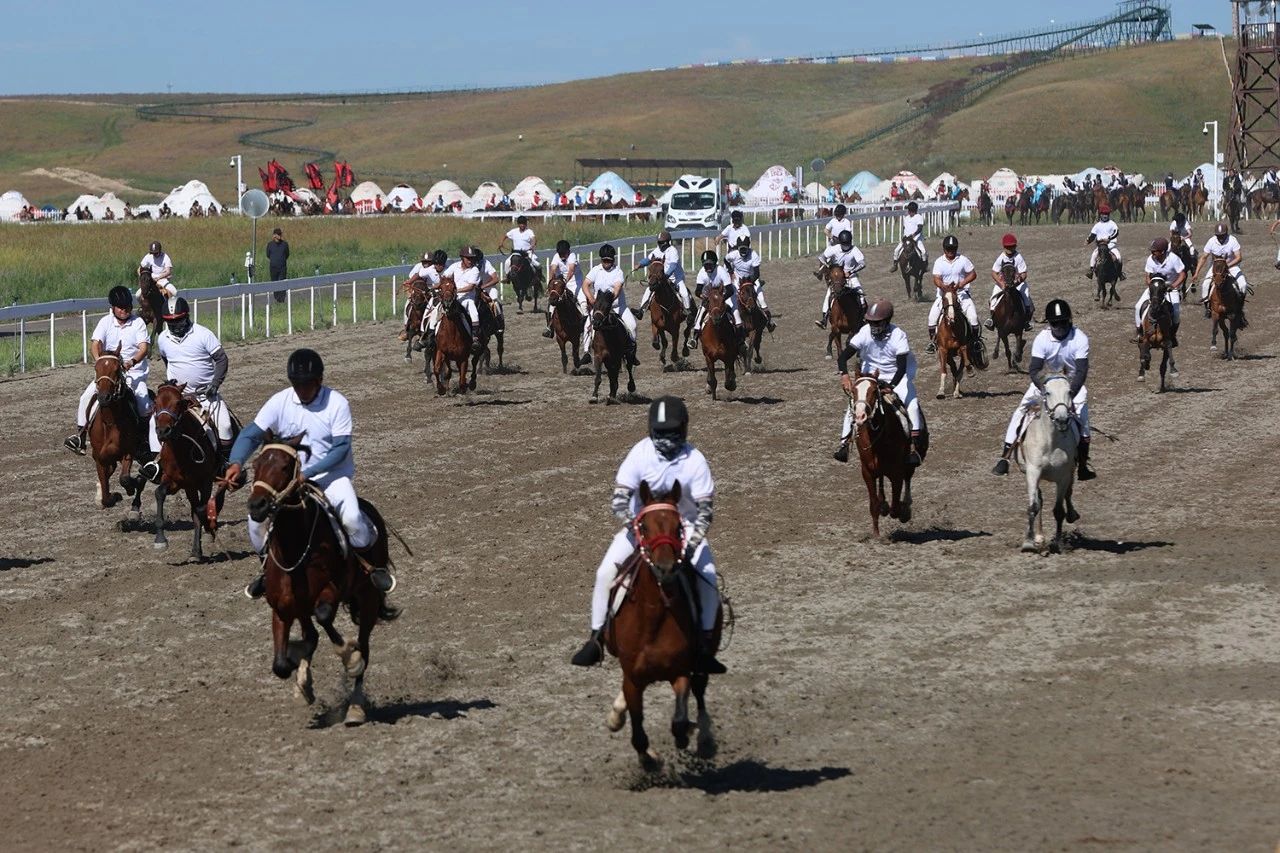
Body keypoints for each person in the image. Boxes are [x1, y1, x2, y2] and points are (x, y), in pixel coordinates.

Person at [568, 396, 726, 674]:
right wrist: (635, 529)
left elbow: (705, 512)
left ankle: (702, 645)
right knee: (604, 573)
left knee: (709, 578)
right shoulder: (640, 453)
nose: (667, 439)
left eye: (673, 433)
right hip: (641, 528)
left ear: (685, 429)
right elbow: (619, 499)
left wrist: (690, 547)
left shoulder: (695, 460)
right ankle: (595, 639)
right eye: (661, 433)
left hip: (684, 529)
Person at [226, 348, 396, 601]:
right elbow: (251, 434)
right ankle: (267, 568)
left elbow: (340, 449)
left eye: (307, 385)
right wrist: (236, 462)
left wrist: (308, 473)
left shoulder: (336, 403)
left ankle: (369, 566)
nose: (302, 390)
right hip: (287, 483)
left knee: (351, 520)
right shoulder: (280, 401)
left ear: (319, 380)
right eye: (297, 385)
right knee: (255, 522)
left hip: (331, 478)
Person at [992, 299, 1095, 481]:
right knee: (1021, 410)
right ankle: (1005, 457)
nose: (1060, 327)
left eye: (1063, 322)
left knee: (1083, 421)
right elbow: (1034, 369)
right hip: (1046, 383)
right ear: (1050, 324)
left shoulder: (1080, 338)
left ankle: (1083, 466)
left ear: (1069, 321)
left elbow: (1081, 371)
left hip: (1071, 386)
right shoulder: (1042, 338)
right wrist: (1044, 390)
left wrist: (1069, 394)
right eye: (1055, 323)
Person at [147, 298, 234, 476]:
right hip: (178, 398)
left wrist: (214, 384)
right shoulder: (162, 338)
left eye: (178, 320)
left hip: (205, 395)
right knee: (152, 422)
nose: (175, 324)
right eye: (170, 321)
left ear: (187, 317)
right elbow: (167, 360)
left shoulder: (203, 334)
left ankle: (224, 463)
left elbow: (221, 359)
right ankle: (157, 464)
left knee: (225, 426)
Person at [64, 286, 155, 456]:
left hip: (133, 373)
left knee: (143, 404)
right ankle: (81, 437)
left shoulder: (138, 323)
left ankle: (143, 442)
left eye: (128, 306)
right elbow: (95, 344)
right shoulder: (105, 322)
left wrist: (131, 362)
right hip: (108, 373)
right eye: (121, 307)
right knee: (85, 397)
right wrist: (99, 360)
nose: (125, 310)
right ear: (113, 307)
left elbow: (143, 348)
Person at [833, 299, 922, 467]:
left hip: (895, 375)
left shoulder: (898, 335)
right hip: (869, 376)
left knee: (912, 404)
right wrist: (844, 375)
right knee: (853, 406)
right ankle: (844, 445)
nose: (873, 326)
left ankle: (913, 447)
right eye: (870, 322)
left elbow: (902, 366)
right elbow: (844, 357)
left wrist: (891, 386)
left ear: (887, 321)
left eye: (877, 322)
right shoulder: (864, 332)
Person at [427, 246, 497, 354]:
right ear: (462, 258)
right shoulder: (454, 266)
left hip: (467, 298)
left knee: (473, 311)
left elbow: (471, 287)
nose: (471, 260)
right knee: (435, 309)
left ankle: (475, 338)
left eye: (472, 258)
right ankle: (430, 336)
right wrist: (436, 288)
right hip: (452, 297)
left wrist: (455, 290)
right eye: (468, 258)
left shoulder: (474, 270)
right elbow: (444, 278)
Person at [582, 244, 639, 366]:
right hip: (600, 308)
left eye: (609, 260)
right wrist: (592, 299)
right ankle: (586, 352)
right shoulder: (596, 270)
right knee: (587, 326)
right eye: (604, 260)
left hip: (618, 307)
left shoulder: (618, 272)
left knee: (633, 326)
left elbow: (617, 289)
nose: (607, 263)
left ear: (613, 260)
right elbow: (585, 284)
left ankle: (631, 352)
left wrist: (609, 301)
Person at [925, 234, 978, 355]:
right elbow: (936, 278)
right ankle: (933, 342)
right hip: (944, 295)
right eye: (948, 249)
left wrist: (961, 283)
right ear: (944, 249)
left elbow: (973, 274)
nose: (950, 252)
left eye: (953, 249)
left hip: (960, 294)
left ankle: (975, 341)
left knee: (973, 317)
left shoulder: (963, 260)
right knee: (932, 318)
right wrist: (943, 286)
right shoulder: (939, 262)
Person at [1134, 238, 1186, 347]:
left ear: (1162, 251)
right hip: (1155, 289)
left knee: (1176, 313)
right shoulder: (1150, 259)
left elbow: (1182, 274)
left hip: (1170, 288)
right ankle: (1139, 332)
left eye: (1154, 251)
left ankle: (1172, 336)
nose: (1152, 253)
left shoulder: (1173, 259)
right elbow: (1148, 276)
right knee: (1138, 306)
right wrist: (1152, 287)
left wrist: (1174, 285)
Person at [1196, 223, 1249, 326]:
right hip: (1216, 267)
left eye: (1222, 236)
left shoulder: (1232, 240)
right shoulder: (1211, 241)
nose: (1220, 238)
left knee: (1243, 285)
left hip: (1231, 265)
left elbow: (1239, 257)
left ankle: (1239, 308)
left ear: (1226, 234)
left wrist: (1227, 266)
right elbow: (1204, 257)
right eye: (1218, 236)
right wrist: (1196, 272)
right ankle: (1207, 308)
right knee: (1205, 285)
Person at [813, 229, 867, 328]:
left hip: (850, 277)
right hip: (837, 278)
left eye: (848, 244)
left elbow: (862, 263)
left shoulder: (854, 250)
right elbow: (821, 257)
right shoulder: (834, 248)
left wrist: (851, 272)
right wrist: (828, 267)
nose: (846, 246)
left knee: (861, 294)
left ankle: (863, 318)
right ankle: (824, 319)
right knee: (829, 294)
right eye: (844, 244)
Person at [633, 231, 691, 318]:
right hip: (661, 277)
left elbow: (673, 266)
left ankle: (687, 311)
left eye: (660, 242)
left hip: (675, 278)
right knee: (649, 289)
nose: (659, 244)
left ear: (666, 242)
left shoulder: (673, 251)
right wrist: (639, 264)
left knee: (684, 293)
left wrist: (666, 276)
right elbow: (648, 260)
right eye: (658, 242)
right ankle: (641, 310)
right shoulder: (657, 251)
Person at [985, 233, 1033, 332]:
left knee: (1026, 298)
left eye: (1012, 246)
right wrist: (1001, 283)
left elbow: (1024, 273)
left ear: (1015, 246)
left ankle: (1026, 321)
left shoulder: (1018, 257)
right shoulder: (1001, 258)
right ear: (1004, 247)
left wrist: (1018, 282)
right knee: (993, 299)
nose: (1010, 249)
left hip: (1017, 283)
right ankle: (992, 320)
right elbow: (994, 272)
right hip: (1003, 283)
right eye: (1008, 246)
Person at [690, 249, 740, 344]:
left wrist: (721, 299)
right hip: (709, 298)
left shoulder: (721, 271)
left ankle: (741, 341)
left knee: (736, 314)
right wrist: (703, 296)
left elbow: (730, 290)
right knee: (699, 315)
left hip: (725, 295)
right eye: (705, 265)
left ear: (715, 263)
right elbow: (697, 291)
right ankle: (694, 338)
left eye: (710, 265)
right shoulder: (701, 273)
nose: (708, 267)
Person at [727, 238, 775, 332]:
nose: (743, 251)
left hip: (752, 279)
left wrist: (748, 283)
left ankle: (769, 322)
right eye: (741, 249)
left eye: (745, 249)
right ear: (738, 248)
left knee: (761, 300)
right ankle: (733, 322)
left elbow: (756, 273)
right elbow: (725, 260)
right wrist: (731, 271)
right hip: (737, 280)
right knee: (731, 301)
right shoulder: (733, 255)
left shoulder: (754, 255)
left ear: (748, 248)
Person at [398, 250, 447, 342]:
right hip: (419, 291)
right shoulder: (419, 267)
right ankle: (406, 329)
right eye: (424, 262)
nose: (426, 264)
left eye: (428, 262)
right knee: (408, 305)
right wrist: (409, 283)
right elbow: (414, 278)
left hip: (433, 292)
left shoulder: (437, 269)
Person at [543, 239, 587, 338]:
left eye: (564, 253)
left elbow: (571, 270)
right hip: (560, 284)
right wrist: (550, 283)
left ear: (568, 251)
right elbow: (553, 269)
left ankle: (585, 326)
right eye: (560, 254)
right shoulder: (556, 256)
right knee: (552, 304)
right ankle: (550, 327)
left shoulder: (572, 256)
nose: (562, 256)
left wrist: (565, 282)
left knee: (583, 303)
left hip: (575, 283)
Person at [1085, 203, 1124, 280]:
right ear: (1100, 214)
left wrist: (1109, 238)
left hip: (1110, 246)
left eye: (1106, 214)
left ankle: (1120, 273)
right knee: (1093, 256)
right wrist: (1088, 240)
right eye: (1103, 214)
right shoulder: (1097, 225)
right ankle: (1091, 271)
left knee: (1119, 258)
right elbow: (1093, 235)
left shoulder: (1112, 224)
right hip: (1101, 246)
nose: (1105, 215)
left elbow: (1116, 232)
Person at [139, 240, 177, 311]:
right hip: (150, 280)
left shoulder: (165, 257)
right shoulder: (148, 256)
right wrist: (142, 278)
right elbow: (140, 268)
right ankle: (142, 308)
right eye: (152, 253)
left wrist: (159, 278)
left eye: (156, 253)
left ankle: (169, 309)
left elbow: (168, 271)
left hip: (162, 280)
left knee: (174, 291)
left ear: (160, 251)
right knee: (138, 295)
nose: (154, 255)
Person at [890, 201, 927, 272]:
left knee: (923, 251)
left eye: (911, 211)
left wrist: (914, 235)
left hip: (916, 239)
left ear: (915, 211)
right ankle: (895, 265)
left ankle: (924, 266)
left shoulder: (919, 217)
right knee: (896, 250)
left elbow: (920, 228)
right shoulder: (906, 218)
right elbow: (905, 228)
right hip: (906, 239)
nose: (910, 213)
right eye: (909, 211)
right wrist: (904, 236)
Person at [266, 227, 290, 303]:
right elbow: (268, 255)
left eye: (279, 235)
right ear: (273, 235)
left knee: (282, 282)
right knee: (274, 282)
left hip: (282, 267)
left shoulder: (284, 244)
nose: (277, 237)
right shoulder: (270, 244)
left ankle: (282, 299)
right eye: (276, 235)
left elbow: (287, 254)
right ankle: (277, 298)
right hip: (273, 268)